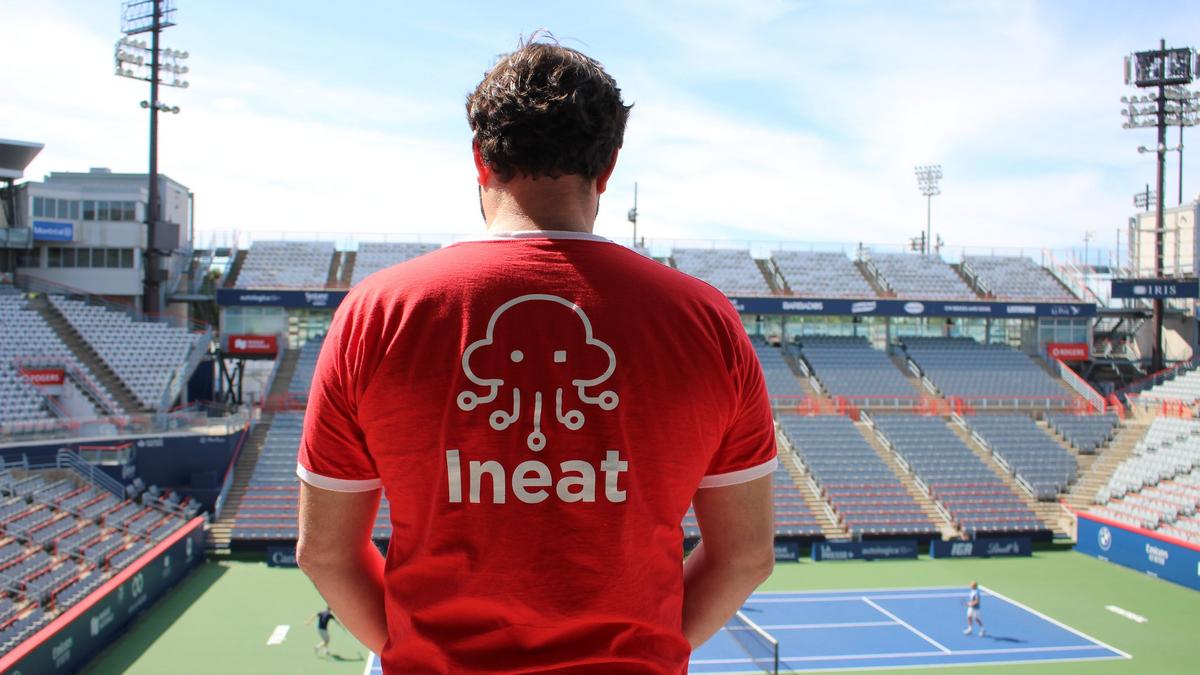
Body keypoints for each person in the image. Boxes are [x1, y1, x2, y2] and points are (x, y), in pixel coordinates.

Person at [295, 35, 776, 674]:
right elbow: (746, 556)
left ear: (479, 159)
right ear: (608, 168)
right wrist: (649, 651)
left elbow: (325, 552)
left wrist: (419, 653)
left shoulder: (377, 313)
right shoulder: (707, 322)